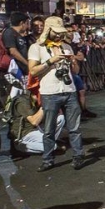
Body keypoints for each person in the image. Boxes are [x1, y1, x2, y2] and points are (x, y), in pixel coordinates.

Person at [27, 16, 85, 171]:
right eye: (56, 32)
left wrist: (73, 62)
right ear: (48, 30)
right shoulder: (36, 47)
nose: (59, 35)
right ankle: (47, 159)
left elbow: (76, 72)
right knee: (49, 130)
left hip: (69, 91)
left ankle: (78, 156)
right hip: (50, 92)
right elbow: (32, 70)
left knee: (74, 128)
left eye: (61, 32)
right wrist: (51, 61)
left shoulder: (67, 47)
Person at [5, 74, 65, 156]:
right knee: (51, 146)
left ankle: (50, 142)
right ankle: (22, 147)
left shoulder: (36, 101)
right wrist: (45, 104)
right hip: (25, 135)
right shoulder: (22, 101)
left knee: (60, 118)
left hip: (37, 130)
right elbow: (34, 121)